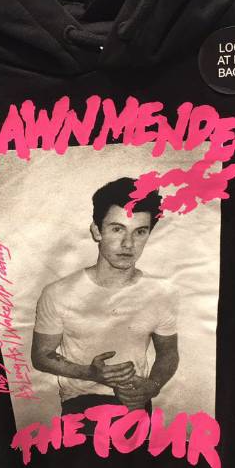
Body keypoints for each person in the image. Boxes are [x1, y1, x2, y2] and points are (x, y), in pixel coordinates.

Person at [31, 176, 179, 429]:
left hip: (136, 404)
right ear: (97, 231)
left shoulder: (160, 293)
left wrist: (152, 386)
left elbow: (168, 352)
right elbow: (41, 356)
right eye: (117, 229)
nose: (128, 244)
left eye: (140, 232)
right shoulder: (58, 292)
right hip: (81, 407)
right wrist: (90, 373)